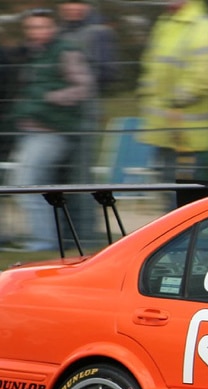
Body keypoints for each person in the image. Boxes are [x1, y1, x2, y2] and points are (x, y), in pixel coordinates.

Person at [3, 7, 93, 252]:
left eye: (42, 26)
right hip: (28, 129)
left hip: (51, 131)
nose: (37, 32)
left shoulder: (65, 51)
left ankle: (44, 242)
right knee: (22, 184)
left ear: (53, 27)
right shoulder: (32, 53)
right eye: (32, 27)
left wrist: (50, 98)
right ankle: (44, 240)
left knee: (27, 184)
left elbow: (83, 87)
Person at [136, 0, 208, 202]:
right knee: (168, 191)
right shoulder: (165, 23)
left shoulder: (204, 27)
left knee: (185, 198)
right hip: (163, 130)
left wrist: (175, 99)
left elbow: (207, 76)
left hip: (188, 135)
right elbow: (151, 66)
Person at [56, 0, 119, 242]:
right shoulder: (60, 31)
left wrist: (83, 80)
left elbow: (108, 72)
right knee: (60, 173)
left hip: (85, 110)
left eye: (78, 3)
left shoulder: (99, 32)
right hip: (61, 115)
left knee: (81, 174)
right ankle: (63, 232)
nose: (72, 7)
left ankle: (84, 234)